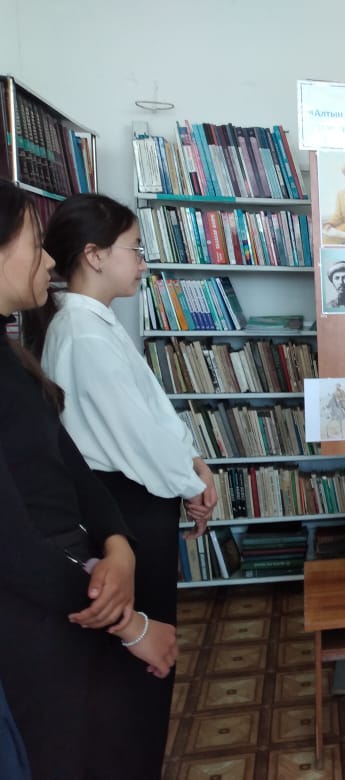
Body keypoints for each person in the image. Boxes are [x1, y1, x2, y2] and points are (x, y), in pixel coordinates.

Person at [25, 192, 216, 778]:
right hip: (127, 509)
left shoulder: (92, 325)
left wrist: (192, 463)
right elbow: (135, 437)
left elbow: (150, 414)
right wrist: (190, 479)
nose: (142, 262)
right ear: (95, 255)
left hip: (134, 503)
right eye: (134, 249)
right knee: (140, 667)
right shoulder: (83, 334)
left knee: (145, 661)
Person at [0, 180, 177, 778]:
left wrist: (118, 543)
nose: (49, 259)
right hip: (51, 608)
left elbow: (67, 462)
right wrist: (128, 620)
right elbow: (16, 536)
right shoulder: (76, 333)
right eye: (34, 243)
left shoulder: (16, 356)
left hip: (89, 572)